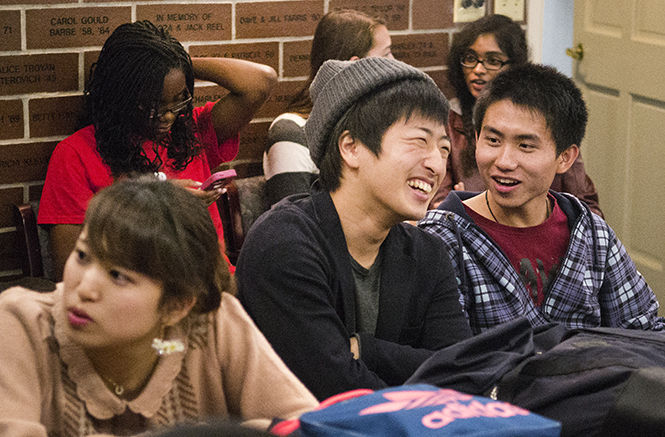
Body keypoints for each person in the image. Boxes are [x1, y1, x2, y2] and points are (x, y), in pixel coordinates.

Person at [0, 177, 317, 436]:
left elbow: (303, 426)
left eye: (118, 275)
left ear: (177, 306)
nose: (83, 288)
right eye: (82, 256)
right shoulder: (22, 323)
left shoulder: (210, 324)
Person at [237, 57, 473, 401]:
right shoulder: (284, 244)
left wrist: (368, 350)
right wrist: (421, 379)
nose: (436, 163)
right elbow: (336, 390)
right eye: (419, 142)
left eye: (443, 148)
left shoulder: (427, 252)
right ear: (352, 148)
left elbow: (463, 372)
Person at [419, 63, 665, 334]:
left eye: (525, 145)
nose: (504, 161)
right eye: (492, 140)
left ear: (565, 157)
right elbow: (449, 359)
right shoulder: (443, 239)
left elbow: (643, 331)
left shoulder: (592, 235)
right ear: (476, 139)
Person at [38, 20, 277, 279]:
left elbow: (260, 81)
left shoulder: (192, 132)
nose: (169, 117)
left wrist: (175, 63)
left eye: (178, 100)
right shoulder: (75, 154)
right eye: (154, 104)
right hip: (141, 299)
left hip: (215, 289)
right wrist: (154, 204)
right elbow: (70, 269)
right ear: (122, 95)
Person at [429, 14, 602, 216]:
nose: (478, 69)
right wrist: (465, 207)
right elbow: (436, 203)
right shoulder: (448, 121)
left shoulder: (549, 120)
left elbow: (587, 206)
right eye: (470, 59)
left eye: (492, 61)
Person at [263, 9, 393, 206]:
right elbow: (293, 222)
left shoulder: (373, 124)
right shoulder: (292, 132)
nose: (395, 63)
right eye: (387, 54)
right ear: (355, 66)